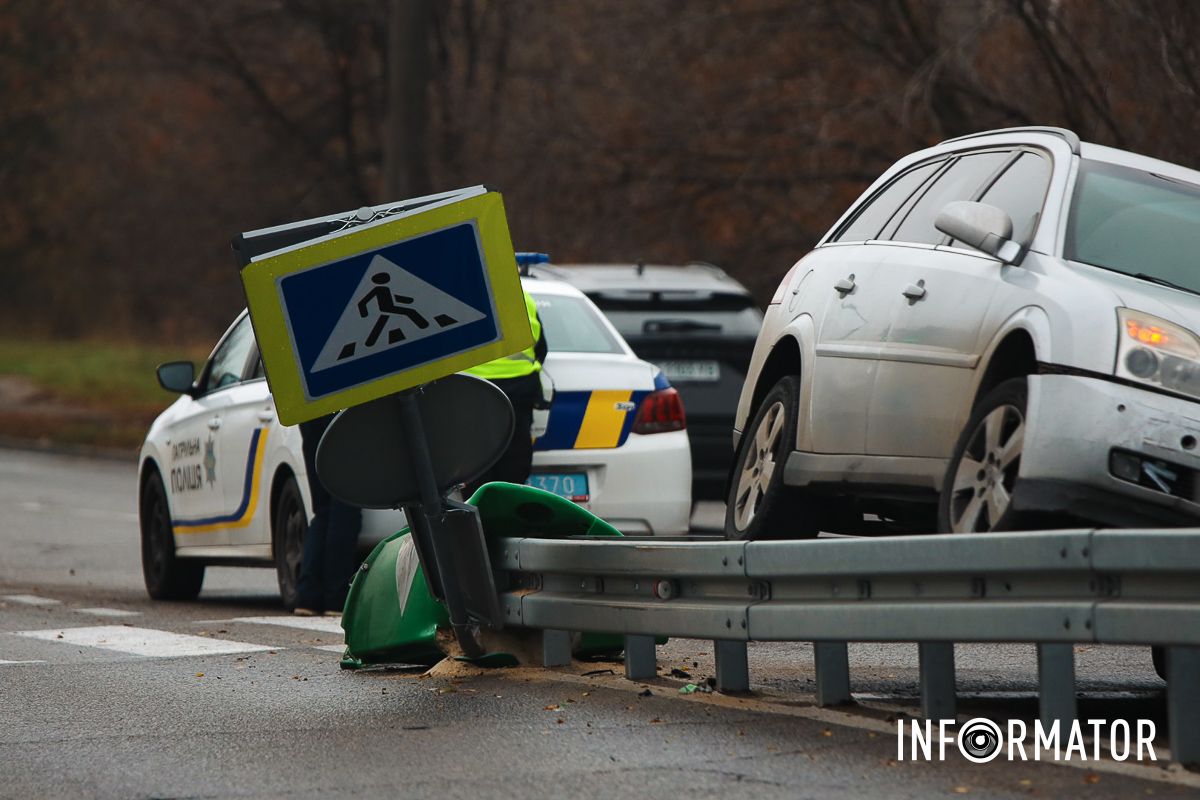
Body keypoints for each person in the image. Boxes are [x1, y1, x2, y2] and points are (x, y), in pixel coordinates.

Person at [462, 288, 548, 498]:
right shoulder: (521, 295)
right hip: (518, 388)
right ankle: (507, 510)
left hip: (469, 390)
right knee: (514, 463)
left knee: (475, 464)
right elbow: (541, 348)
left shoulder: (456, 293)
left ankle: (480, 518)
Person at [294, 413, 363, 616]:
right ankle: (336, 596)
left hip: (308, 410)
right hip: (340, 408)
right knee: (345, 505)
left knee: (323, 510)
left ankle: (308, 596)